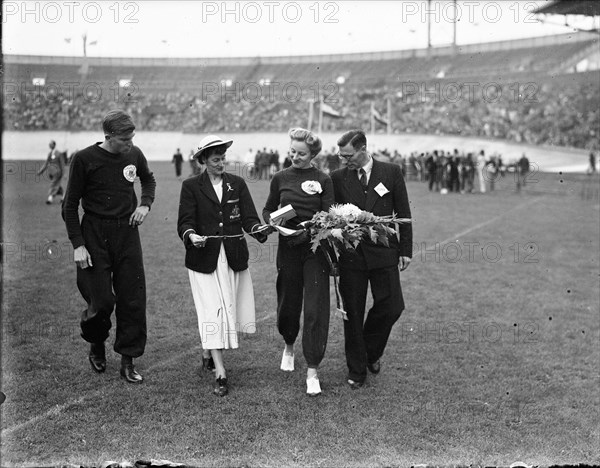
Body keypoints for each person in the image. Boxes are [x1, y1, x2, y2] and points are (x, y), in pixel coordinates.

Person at [62, 110, 156, 384]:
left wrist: (145, 204)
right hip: (94, 233)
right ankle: (96, 343)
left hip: (127, 233)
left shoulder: (134, 154)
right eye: (125, 139)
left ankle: (128, 361)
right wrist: (78, 245)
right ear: (108, 137)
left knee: (132, 298)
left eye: (132, 138)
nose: (130, 143)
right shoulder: (84, 159)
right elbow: (69, 206)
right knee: (101, 301)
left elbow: (148, 179)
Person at [177, 135, 270, 397]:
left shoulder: (237, 184)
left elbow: (249, 219)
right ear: (203, 160)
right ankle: (220, 372)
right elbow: (184, 222)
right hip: (203, 258)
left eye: (223, 159)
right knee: (211, 310)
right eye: (215, 159)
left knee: (224, 309)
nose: (221, 163)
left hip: (231, 256)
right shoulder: (191, 186)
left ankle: (208, 350)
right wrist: (191, 235)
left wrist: (259, 230)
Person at [330, 129, 412, 389]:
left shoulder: (391, 172)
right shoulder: (337, 177)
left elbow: (404, 213)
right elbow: (332, 217)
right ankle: (356, 370)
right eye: (341, 156)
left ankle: (371, 352)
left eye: (349, 155)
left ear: (363, 148)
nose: (345, 160)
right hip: (352, 256)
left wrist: (406, 250)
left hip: (385, 252)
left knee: (392, 306)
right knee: (352, 313)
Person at [263, 128, 334, 397]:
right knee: (288, 303)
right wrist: (273, 221)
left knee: (315, 308)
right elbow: (268, 209)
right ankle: (289, 345)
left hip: (316, 251)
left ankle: (313, 370)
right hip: (288, 248)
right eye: (292, 151)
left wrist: (312, 227)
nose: (295, 156)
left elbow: (330, 215)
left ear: (313, 154)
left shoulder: (323, 179)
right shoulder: (280, 177)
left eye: (301, 153)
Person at [38, 140, 67, 204]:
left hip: (58, 173)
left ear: (54, 145)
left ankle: (50, 198)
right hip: (51, 173)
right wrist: (41, 171)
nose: (49, 145)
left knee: (53, 184)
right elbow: (46, 163)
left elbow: (62, 164)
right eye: (49, 144)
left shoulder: (59, 153)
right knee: (57, 185)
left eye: (51, 144)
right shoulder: (50, 154)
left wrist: (64, 174)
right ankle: (64, 197)